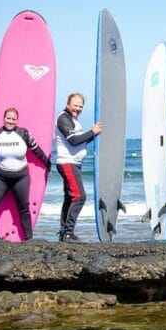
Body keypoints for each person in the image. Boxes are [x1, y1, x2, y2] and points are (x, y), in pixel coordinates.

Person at [0, 107, 50, 241]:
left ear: (17, 120)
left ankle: (29, 238)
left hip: (21, 177)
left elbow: (35, 149)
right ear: (4, 118)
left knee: (23, 207)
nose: (10, 121)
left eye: (13, 119)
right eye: (8, 118)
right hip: (1, 177)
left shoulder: (23, 133)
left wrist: (47, 162)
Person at [54, 92, 104, 243]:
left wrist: (93, 134)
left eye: (81, 106)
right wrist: (92, 132)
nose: (78, 108)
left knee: (70, 198)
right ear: (68, 104)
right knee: (79, 196)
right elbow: (74, 140)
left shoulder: (74, 121)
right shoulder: (63, 118)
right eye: (75, 105)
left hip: (74, 162)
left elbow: (80, 142)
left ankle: (64, 233)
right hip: (67, 162)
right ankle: (68, 232)